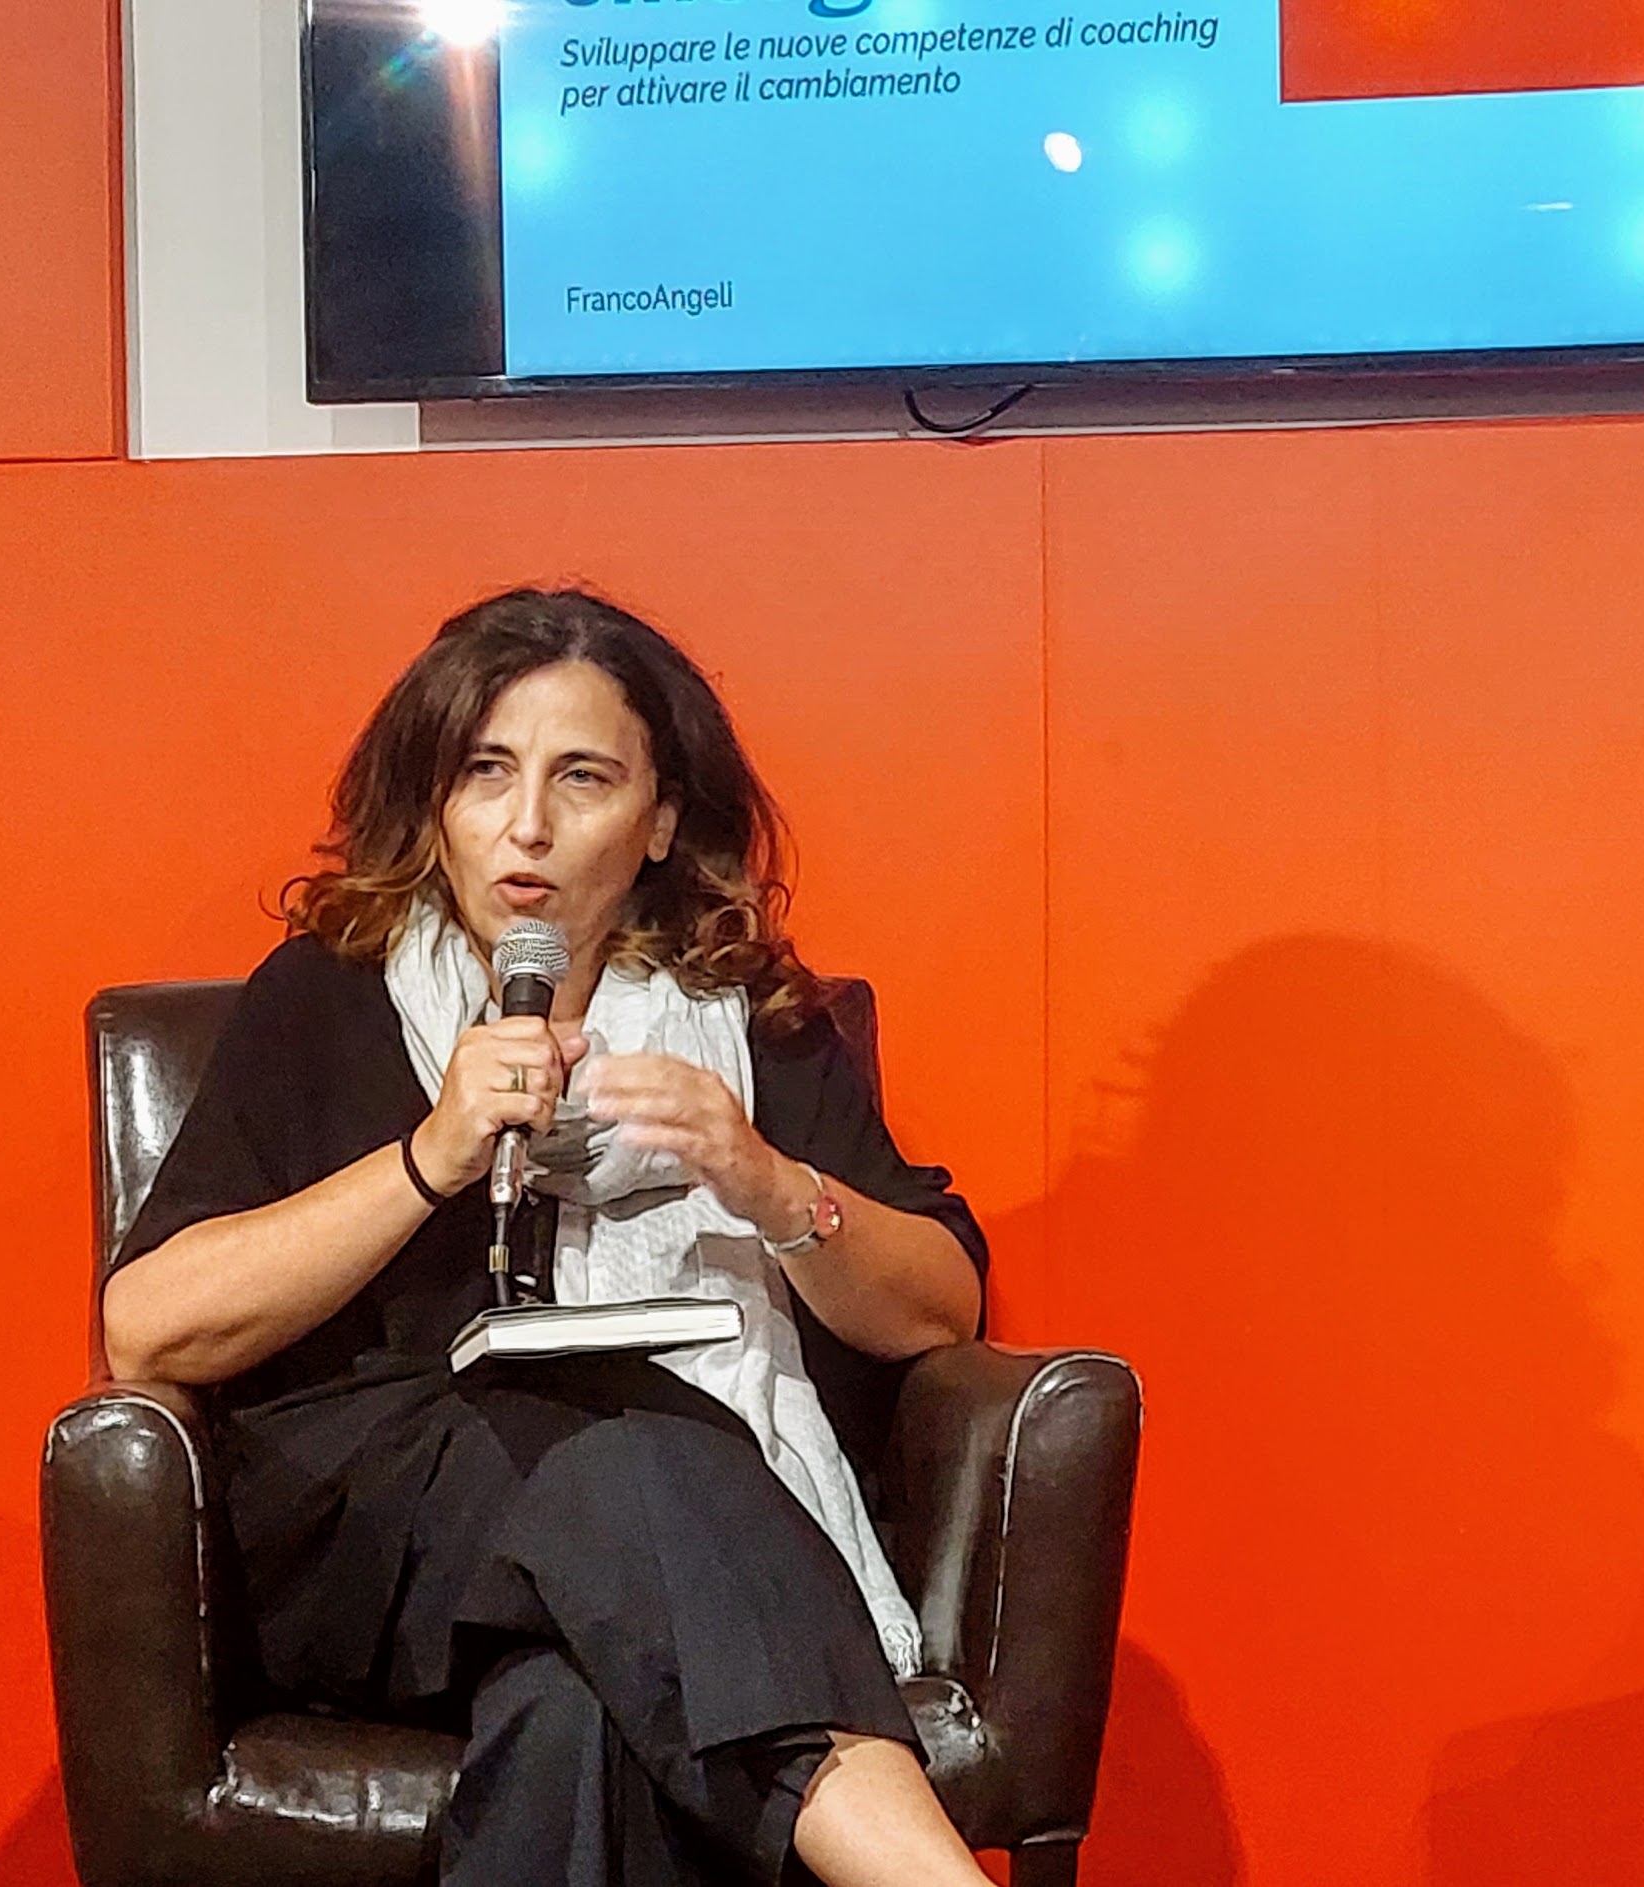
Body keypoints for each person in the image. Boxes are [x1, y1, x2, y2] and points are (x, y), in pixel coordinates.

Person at [102, 588, 1002, 1887]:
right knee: (645, 1460)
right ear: (435, 803)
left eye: (582, 777)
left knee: (579, 1710)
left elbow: (940, 1306)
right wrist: (431, 1156)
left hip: (639, 1560)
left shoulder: (743, 1018)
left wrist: (766, 1181)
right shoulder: (328, 996)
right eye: (486, 772)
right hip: (374, 1526)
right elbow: (148, 1330)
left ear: (660, 821)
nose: (527, 823)